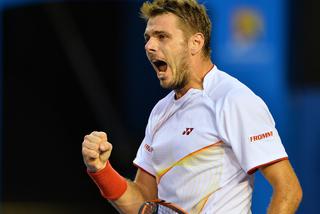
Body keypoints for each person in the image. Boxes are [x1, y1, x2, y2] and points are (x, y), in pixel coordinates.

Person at [82, 0, 302, 213]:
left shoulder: (234, 99)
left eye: (162, 36)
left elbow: (288, 190)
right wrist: (101, 170)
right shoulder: (160, 112)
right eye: (147, 37)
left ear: (195, 43)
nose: (149, 46)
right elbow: (142, 203)